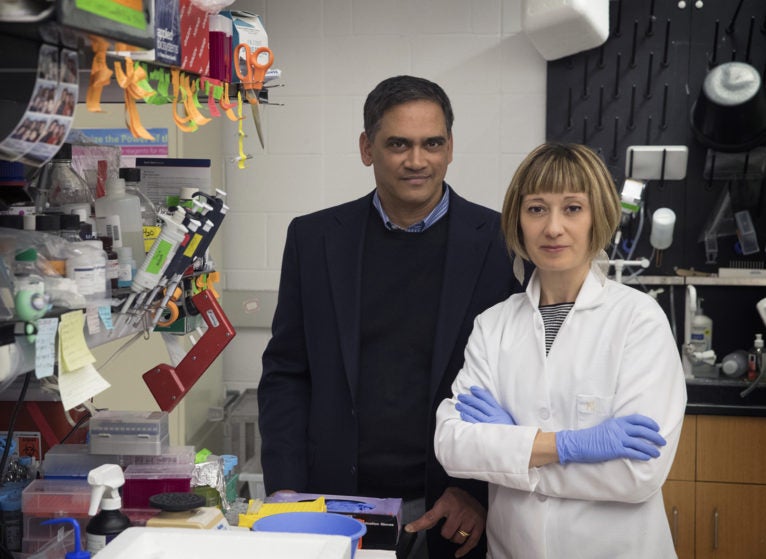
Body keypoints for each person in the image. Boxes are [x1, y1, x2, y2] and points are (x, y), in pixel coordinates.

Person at [258, 75, 524, 558]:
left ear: (450, 148)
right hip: (333, 507)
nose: (417, 160)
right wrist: (288, 493)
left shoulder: (501, 243)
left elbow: (520, 387)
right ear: (367, 148)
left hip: (451, 508)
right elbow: (286, 376)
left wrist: (481, 494)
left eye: (432, 144)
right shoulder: (314, 240)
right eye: (398, 144)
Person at [434, 142, 688, 558]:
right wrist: (571, 445)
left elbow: (637, 474)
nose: (553, 228)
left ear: (598, 217)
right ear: (518, 220)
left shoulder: (639, 321)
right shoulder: (493, 325)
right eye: (536, 208)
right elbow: (452, 445)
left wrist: (511, 449)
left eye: (572, 208)